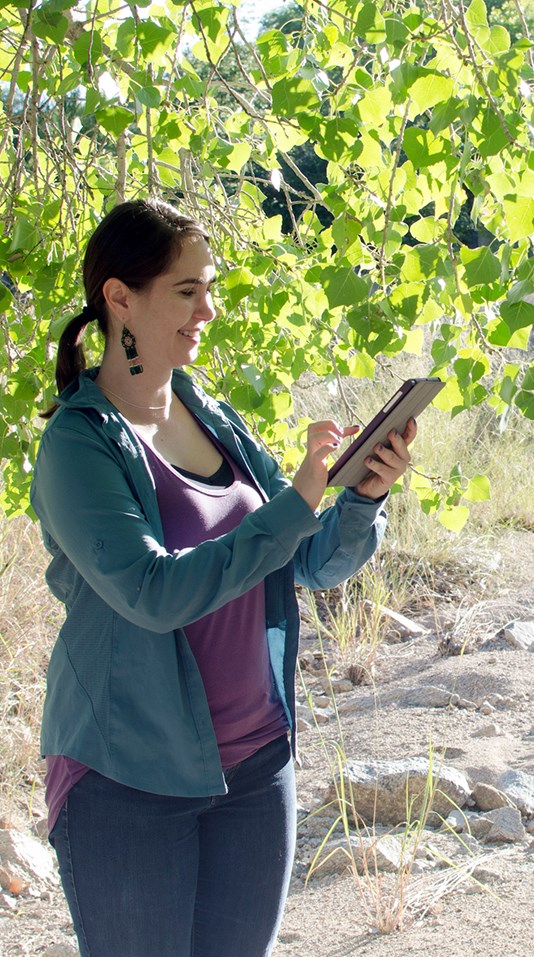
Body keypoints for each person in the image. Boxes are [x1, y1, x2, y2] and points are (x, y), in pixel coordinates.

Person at [31, 198, 418, 957]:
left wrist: (360, 496)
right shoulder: (77, 444)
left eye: (210, 287)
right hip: (127, 781)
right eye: (187, 290)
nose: (209, 308)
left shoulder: (211, 413)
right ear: (119, 298)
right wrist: (297, 501)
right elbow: (153, 591)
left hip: (256, 767)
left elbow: (307, 557)